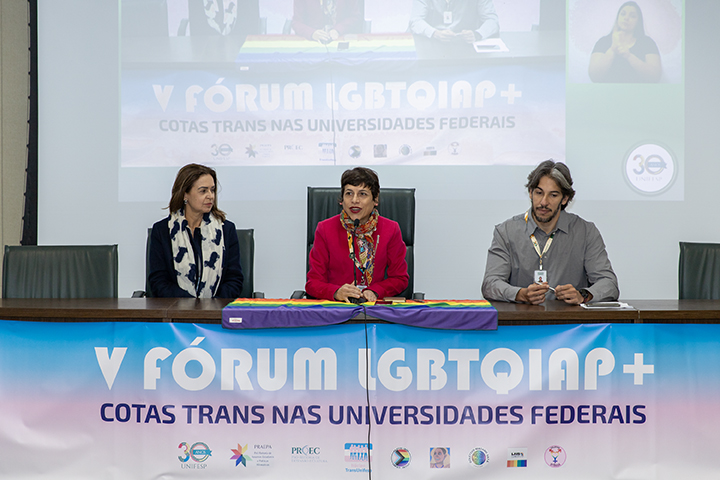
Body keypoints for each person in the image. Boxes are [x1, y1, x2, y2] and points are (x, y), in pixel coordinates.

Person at [482, 160, 619, 305]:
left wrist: (582, 295)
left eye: (553, 195)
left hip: (570, 324)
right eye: (539, 193)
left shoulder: (585, 232)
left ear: (565, 199)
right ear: (530, 193)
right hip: (521, 322)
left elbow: (609, 283)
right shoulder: (506, 231)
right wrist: (520, 294)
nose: (543, 202)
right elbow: (490, 284)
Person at [305, 167, 409, 302]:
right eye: (349, 193)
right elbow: (313, 283)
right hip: (337, 310)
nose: (354, 200)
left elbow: (400, 278)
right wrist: (336, 292)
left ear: (375, 199)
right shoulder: (325, 229)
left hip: (374, 310)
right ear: (341, 199)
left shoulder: (390, 229)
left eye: (362, 194)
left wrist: (375, 290)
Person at [148, 164, 243, 298]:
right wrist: (191, 306)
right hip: (177, 311)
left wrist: (211, 306)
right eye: (203, 191)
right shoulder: (162, 231)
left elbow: (234, 280)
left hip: (215, 312)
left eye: (212, 190)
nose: (210, 196)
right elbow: (159, 282)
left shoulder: (226, 230)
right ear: (185, 194)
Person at [588, 1, 661, 83]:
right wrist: (612, 49)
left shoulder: (647, 43)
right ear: (617, 17)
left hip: (640, 94)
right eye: (623, 14)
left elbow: (655, 77)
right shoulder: (603, 42)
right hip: (608, 94)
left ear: (638, 21)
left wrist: (629, 56)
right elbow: (594, 76)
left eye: (632, 16)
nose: (626, 18)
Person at [409, 0, 499, 57]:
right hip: (430, 44)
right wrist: (435, 33)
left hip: (464, 46)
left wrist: (477, 34)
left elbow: (492, 21)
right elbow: (415, 21)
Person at [291, 0, 363, 43]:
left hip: (340, 40)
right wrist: (312, 33)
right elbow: (296, 23)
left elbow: (355, 17)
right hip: (314, 43)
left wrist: (338, 30)